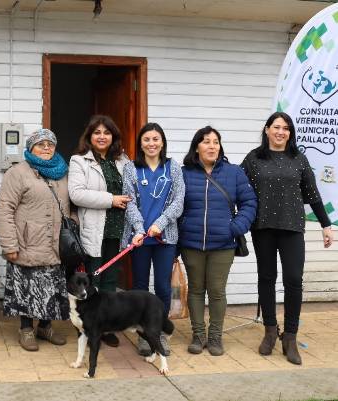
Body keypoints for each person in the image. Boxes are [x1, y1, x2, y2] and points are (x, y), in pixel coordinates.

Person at [242, 111, 334, 365]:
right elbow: (237, 186)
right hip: (263, 227)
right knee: (267, 278)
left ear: (290, 133)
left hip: (292, 227)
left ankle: (290, 336)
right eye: (277, 127)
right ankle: (270, 331)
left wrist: (326, 225)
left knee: (293, 280)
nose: (281, 132)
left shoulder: (299, 159)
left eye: (286, 128)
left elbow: (313, 194)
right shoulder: (254, 159)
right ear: (267, 129)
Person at [179, 126, 257, 356]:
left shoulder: (234, 173)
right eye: (206, 142)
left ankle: (215, 337)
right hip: (191, 243)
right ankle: (198, 334)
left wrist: (235, 228)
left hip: (223, 244)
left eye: (216, 142)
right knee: (194, 289)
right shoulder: (184, 173)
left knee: (216, 291)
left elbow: (249, 202)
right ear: (196, 147)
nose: (212, 146)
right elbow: (174, 205)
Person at [0, 128, 70, 352]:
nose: (46, 148)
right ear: (30, 148)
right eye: (41, 144)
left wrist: (71, 235)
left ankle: (45, 327)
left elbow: (70, 205)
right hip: (27, 242)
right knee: (27, 287)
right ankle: (26, 329)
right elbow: (4, 209)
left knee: (51, 286)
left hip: (55, 242)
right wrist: (9, 244)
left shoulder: (63, 171)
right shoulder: (17, 172)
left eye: (50, 144)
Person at [68, 115, 131, 347]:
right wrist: (111, 199)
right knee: (91, 281)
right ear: (89, 136)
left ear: (113, 136)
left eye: (107, 132)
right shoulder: (79, 161)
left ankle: (106, 326)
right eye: (97, 132)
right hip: (95, 229)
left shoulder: (123, 160)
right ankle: (87, 326)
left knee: (110, 282)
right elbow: (76, 194)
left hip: (118, 229)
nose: (102, 136)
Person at [122, 122, 185, 356]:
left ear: (162, 142)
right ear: (140, 143)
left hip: (164, 239)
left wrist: (161, 223)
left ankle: (158, 333)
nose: (151, 143)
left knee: (162, 288)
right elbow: (129, 202)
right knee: (139, 288)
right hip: (139, 239)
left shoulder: (173, 167)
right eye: (147, 139)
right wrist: (139, 228)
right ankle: (143, 336)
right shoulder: (131, 168)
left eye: (156, 139)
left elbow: (179, 201)